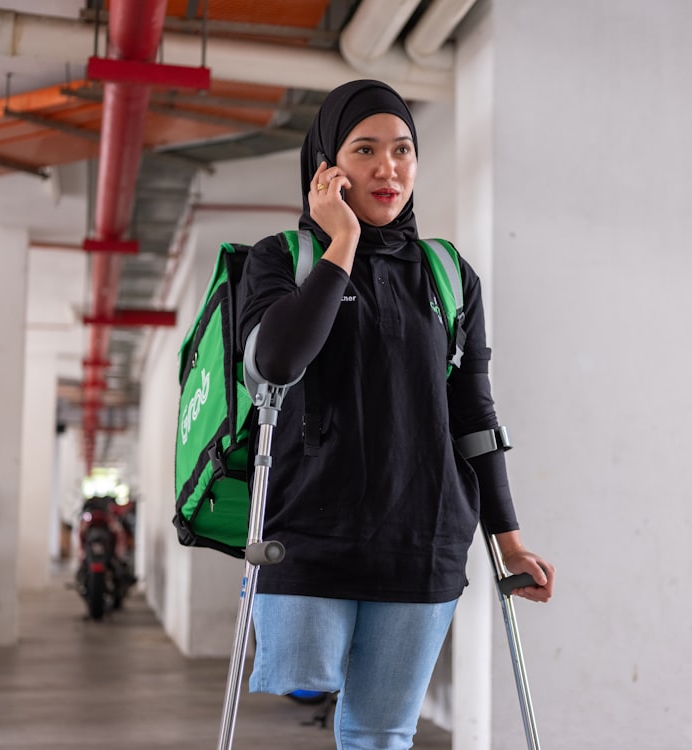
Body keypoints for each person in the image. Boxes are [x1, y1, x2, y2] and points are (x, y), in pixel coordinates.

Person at [235, 78, 555, 750]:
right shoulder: (278, 261)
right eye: (365, 149)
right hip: (308, 535)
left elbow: (472, 412)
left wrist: (508, 537)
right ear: (326, 166)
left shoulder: (448, 274)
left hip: (422, 537)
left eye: (404, 149)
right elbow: (279, 361)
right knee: (295, 711)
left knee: (381, 736)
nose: (389, 167)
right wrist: (341, 244)